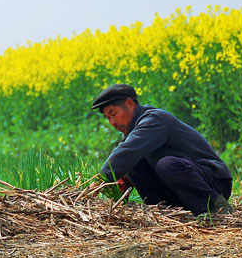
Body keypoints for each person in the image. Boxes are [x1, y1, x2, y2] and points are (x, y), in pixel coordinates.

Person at [90, 84, 233, 216]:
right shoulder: (131, 131)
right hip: (179, 189)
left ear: (129, 104)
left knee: (167, 164)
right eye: (108, 118)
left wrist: (99, 180)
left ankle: (215, 205)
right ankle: (163, 211)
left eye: (113, 114)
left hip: (214, 182)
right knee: (133, 164)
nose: (112, 123)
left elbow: (128, 150)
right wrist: (121, 180)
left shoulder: (154, 120)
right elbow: (128, 157)